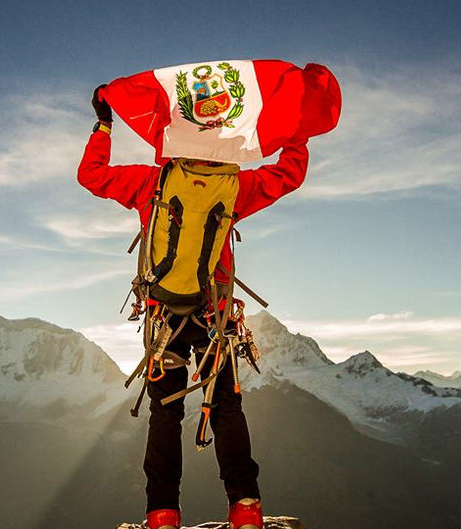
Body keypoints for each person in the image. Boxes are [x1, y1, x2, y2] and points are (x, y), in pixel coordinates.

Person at [77, 85, 308, 529]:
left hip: (165, 318)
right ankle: (245, 510)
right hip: (214, 314)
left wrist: (104, 124)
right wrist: (297, 129)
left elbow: (92, 174)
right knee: (225, 406)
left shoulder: (153, 182)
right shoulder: (235, 187)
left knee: (165, 411)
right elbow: (290, 174)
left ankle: (162, 514)